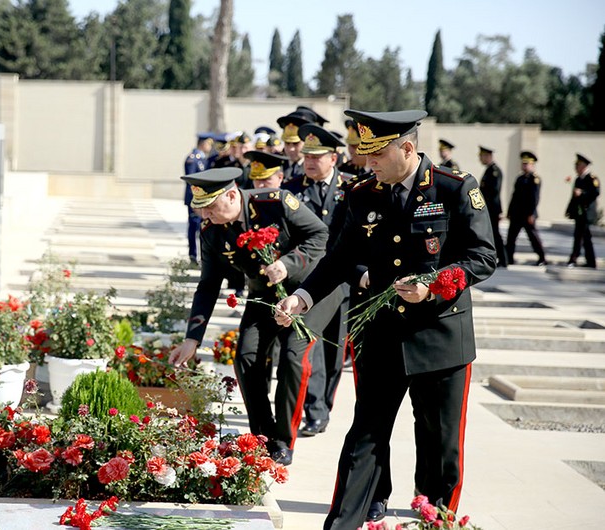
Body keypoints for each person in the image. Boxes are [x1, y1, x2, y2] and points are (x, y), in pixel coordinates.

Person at [275, 109, 497, 530]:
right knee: (365, 436)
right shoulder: (363, 194)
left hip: (441, 335)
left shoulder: (455, 189)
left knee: (439, 443)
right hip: (382, 337)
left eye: (377, 155)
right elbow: (337, 258)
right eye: (365, 154)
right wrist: (302, 297)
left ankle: (435, 519)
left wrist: (432, 283)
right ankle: (342, 523)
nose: (367, 163)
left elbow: (483, 257)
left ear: (407, 148)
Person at [168, 167, 330, 466]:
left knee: (294, 360)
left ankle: (284, 440)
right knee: (246, 356)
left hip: (309, 290)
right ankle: (263, 436)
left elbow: (320, 234)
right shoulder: (212, 231)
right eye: (201, 210)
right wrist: (192, 339)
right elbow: (207, 286)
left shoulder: (275, 202)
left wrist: (288, 263)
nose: (205, 217)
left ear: (231, 195)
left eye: (210, 208)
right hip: (265, 297)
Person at [284, 123, 350, 438]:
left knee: (335, 349)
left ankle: (323, 404)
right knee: (313, 344)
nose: (309, 162)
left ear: (333, 158)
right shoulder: (292, 189)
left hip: (346, 281)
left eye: (317, 156)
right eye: (307, 156)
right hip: (310, 281)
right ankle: (315, 410)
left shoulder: (351, 188)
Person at [506, 151, 547, 266]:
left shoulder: (535, 179)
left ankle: (542, 258)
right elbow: (514, 196)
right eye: (523, 163)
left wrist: (531, 214)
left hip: (527, 215)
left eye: (527, 163)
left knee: (533, 237)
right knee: (511, 238)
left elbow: (535, 198)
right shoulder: (520, 178)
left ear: (532, 165)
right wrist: (509, 211)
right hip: (516, 214)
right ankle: (509, 258)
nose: (524, 166)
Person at [565, 153, 600, 268]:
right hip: (579, 214)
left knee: (582, 236)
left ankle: (575, 259)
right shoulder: (578, 179)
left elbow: (595, 193)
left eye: (578, 165)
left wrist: (583, 193)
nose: (576, 168)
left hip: (586, 213)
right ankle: (588, 261)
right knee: (582, 237)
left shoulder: (592, 178)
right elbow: (574, 197)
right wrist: (569, 210)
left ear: (584, 166)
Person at [184, 133, 214, 265]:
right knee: (194, 227)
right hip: (194, 199)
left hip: (203, 200)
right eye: (208, 144)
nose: (210, 147)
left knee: (202, 228)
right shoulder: (193, 159)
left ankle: (201, 256)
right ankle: (192, 255)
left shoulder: (203, 158)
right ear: (203, 144)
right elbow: (192, 181)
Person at [478, 146, 507, 267]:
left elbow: (494, 192)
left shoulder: (495, 171)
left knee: (495, 234)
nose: (480, 159)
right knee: (492, 234)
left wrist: (486, 208)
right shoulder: (489, 170)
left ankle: (504, 259)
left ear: (488, 156)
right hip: (489, 208)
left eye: (482, 156)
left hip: (492, 209)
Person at [277, 111, 310, 184]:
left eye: (296, 144)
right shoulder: (276, 164)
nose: (291, 149)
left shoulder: (312, 166)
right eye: (287, 143)